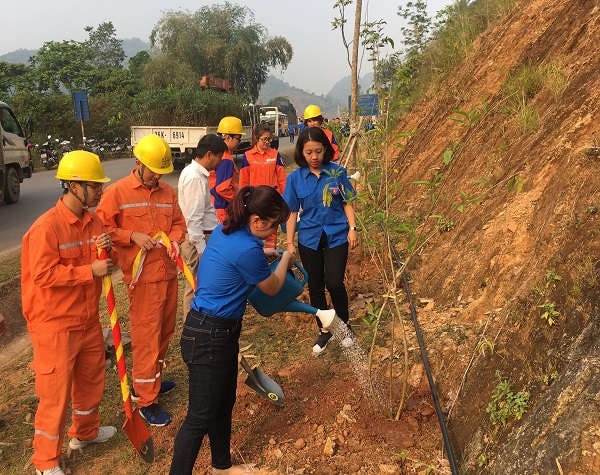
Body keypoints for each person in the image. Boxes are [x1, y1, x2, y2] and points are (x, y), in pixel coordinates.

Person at [170, 185, 295, 475]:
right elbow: (273, 287)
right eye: (274, 225)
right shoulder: (246, 248)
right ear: (257, 221)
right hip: (209, 337)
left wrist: (269, 253)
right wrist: (287, 256)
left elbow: (244, 258)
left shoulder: (228, 233)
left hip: (214, 332)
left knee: (224, 401)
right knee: (199, 416)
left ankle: (222, 466)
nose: (276, 230)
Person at [21, 151, 116, 475]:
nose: (100, 191)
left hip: (87, 319)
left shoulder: (94, 221)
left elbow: (103, 261)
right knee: (55, 395)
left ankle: (85, 434)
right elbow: (43, 276)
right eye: (95, 186)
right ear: (75, 186)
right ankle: (46, 462)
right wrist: (90, 269)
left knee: (91, 380)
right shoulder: (46, 228)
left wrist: (107, 248)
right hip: (54, 324)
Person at [96, 134, 187, 427]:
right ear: (138, 164)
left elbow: (178, 223)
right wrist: (131, 236)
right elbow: (103, 228)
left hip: (168, 273)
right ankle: (146, 399)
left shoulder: (166, 192)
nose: (157, 177)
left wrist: (173, 240)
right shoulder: (117, 193)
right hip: (142, 279)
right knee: (147, 338)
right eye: (153, 172)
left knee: (164, 332)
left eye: (161, 173)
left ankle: (153, 381)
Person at [283, 127, 358, 355]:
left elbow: (347, 202)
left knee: (334, 282)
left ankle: (344, 326)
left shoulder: (337, 172)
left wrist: (352, 228)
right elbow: (292, 213)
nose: (314, 157)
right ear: (301, 153)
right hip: (309, 237)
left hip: (337, 235)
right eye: (309, 153)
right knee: (315, 286)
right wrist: (289, 242)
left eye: (318, 151)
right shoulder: (295, 178)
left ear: (325, 149)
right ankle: (325, 330)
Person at [179, 134, 227, 317]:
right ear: (209, 154)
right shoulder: (194, 177)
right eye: (219, 157)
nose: (220, 162)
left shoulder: (196, 174)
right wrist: (201, 249)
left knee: (201, 282)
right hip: (199, 238)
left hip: (204, 235)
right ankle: (190, 324)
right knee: (195, 284)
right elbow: (193, 218)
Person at [238, 123, 287, 250]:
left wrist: (284, 198)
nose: (267, 142)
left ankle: (271, 255)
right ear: (256, 139)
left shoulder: (275, 155)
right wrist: (243, 200)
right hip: (254, 201)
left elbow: (282, 179)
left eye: (269, 139)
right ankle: (256, 253)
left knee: (271, 228)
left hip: (271, 200)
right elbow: (243, 181)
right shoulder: (248, 156)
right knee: (255, 228)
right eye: (264, 139)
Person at [211, 116, 243, 223]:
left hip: (214, 206)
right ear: (228, 138)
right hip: (221, 209)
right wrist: (237, 201)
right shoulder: (225, 159)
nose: (239, 142)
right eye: (238, 139)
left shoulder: (217, 154)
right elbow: (222, 188)